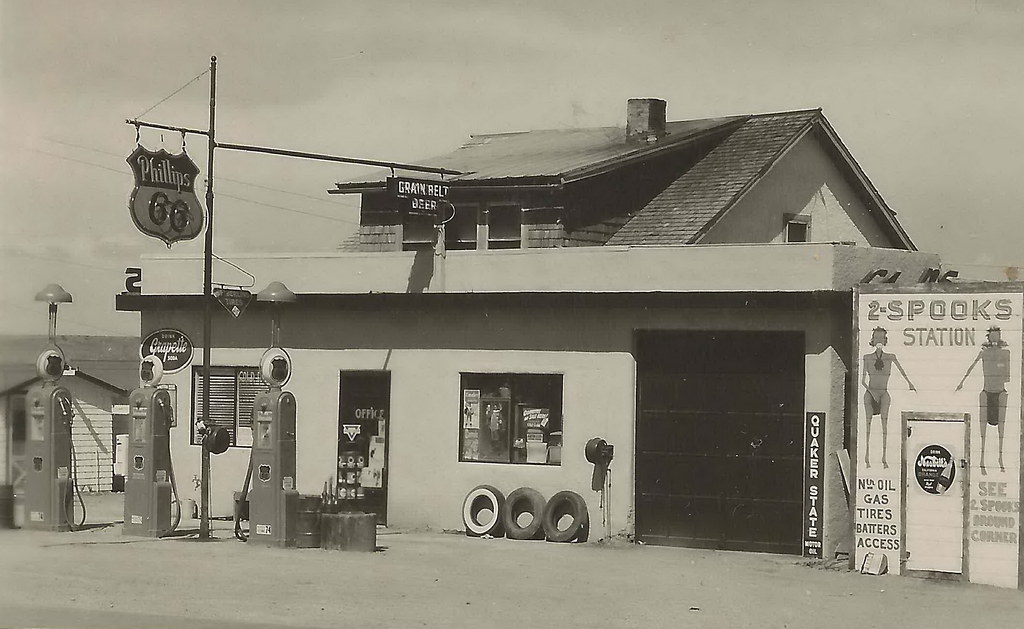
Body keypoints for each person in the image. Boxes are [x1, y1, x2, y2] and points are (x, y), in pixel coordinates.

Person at [956, 326, 1011, 474]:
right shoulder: (984, 353)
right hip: (986, 392)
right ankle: (981, 460)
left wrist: (997, 370)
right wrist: (962, 382)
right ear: (989, 337)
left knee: (1001, 429)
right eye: (992, 335)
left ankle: (1000, 458)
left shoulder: (1005, 353)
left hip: (1000, 392)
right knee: (983, 431)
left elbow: (1007, 375)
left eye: (997, 335)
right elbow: (971, 367)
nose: (994, 338)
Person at [862, 327, 916, 469]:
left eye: (881, 338)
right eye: (876, 338)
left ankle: (884, 458)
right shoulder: (867, 358)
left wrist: (910, 383)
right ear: (873, 340)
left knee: (884, 425)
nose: (879, 340)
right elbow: (863, 381)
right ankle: (867, 457)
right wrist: (872, 393)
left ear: (885, 340)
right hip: (871, 393)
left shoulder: (890, 357)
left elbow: (901, 371)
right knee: (868, 425)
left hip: (883, 392)